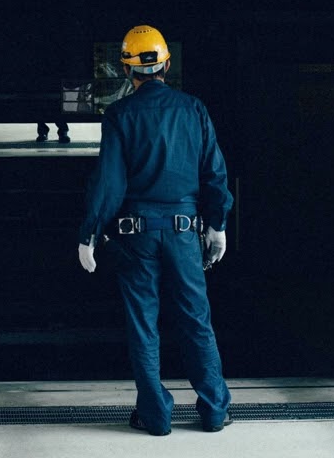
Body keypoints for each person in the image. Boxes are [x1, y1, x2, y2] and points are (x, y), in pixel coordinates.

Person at [77, 25, 234, 436]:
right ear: (166, 64)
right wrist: (217, 225)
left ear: (127, 70)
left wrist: (89, 233)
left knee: (143, 325)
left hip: (136, 235)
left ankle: (156, 416)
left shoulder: (119, 115)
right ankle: (214, 411)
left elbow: (109, 183)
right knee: (196, 320)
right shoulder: (193, 109)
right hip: (185, 232)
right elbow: (215, 173)